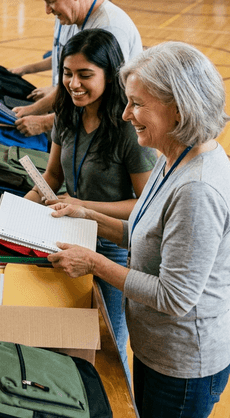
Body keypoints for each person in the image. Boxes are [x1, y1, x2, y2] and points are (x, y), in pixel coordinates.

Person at [48, 41, 230, 418]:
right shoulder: (173, 158)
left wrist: (94, 262)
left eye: (137, 104)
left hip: (183, 363)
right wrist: (88, 214)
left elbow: (175, 296)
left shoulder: (198, 188)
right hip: (158, 349)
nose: (126, 113)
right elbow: (143, 231)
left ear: (179, 109)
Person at [24, 29, 156, 379]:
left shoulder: (129, 131)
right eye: (67, 73)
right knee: (65, 335)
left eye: (85, 75)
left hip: (112, 248)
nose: (73, 83)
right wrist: (21, 207)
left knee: (108, 345)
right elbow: (51, 177)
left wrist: (83, 205)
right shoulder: (67, 115)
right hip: (66, 237)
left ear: (110, 76)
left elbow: (145, 204)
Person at [13, 0, 143, 137]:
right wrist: (33, 110)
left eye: (51, 1)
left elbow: (108, 99)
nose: (47, 10)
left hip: (111, 133)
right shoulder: (79, 20)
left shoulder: (109, 28)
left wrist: (44, 123)